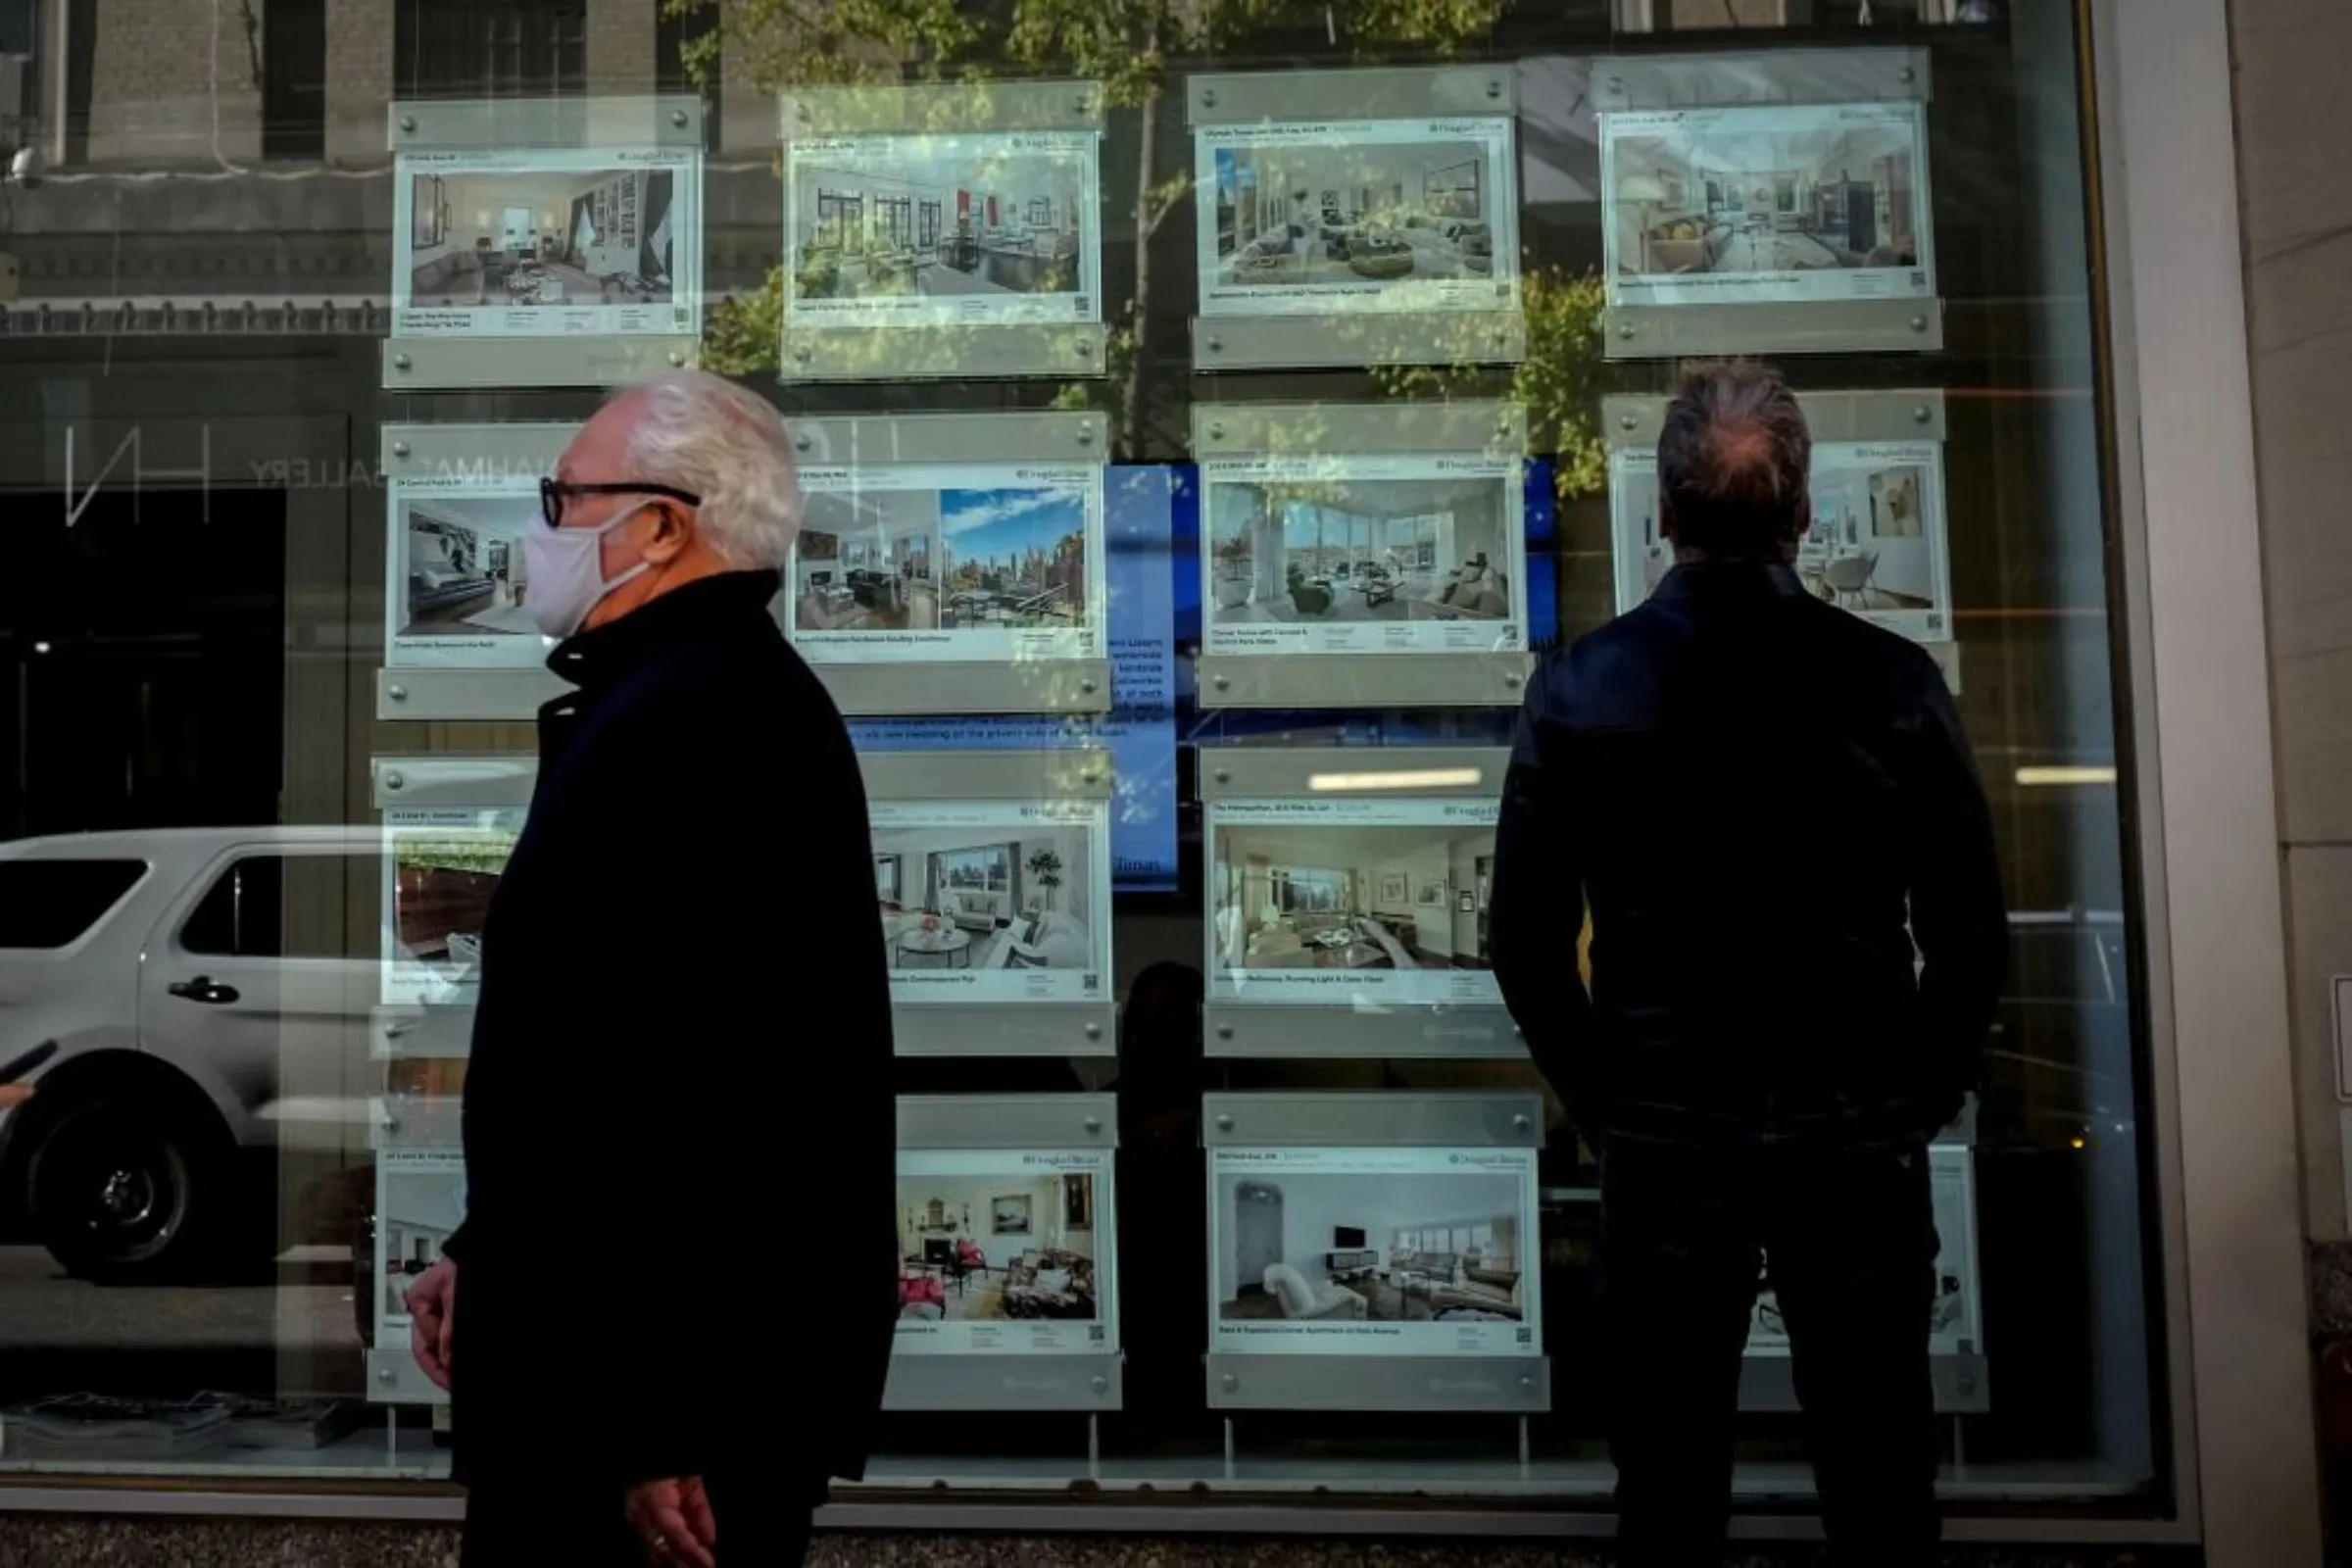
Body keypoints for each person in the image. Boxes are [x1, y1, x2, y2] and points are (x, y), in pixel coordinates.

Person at [1489, 361, 2008, 1566]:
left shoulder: (1576, 689)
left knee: (1668, 1492)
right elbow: (1970, 931)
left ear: (1662, 515)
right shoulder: (1892, 683)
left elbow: (1521, 940)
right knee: (1881, 1483)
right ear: (1804, 513)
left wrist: (1607, 1106)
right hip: (1853, 1138)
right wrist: (1909, 1102)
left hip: (1665, 1136)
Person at [402, 369, 898, 1567]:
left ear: (665, 524)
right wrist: (487, 1246)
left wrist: (656, 1419)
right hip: (619, 1397)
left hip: (644, 1433)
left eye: (563, 498)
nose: (541, 531)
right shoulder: (677, 701)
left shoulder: (705, 718)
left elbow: (717, 1096)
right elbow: (596, 1062)